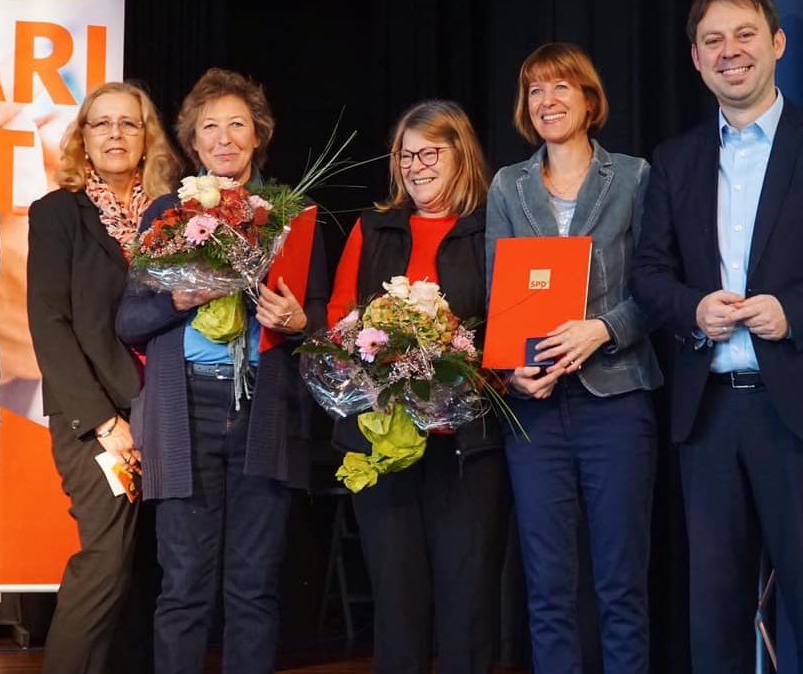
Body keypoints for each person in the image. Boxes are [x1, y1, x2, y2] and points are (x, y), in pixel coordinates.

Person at [116, 67, 328, 674]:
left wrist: (298, 321)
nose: (224, 138)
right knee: (183, 584)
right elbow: (129, 321)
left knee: (254, 585)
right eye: (210, 127)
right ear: (193, 141)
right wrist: (177, 300)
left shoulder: (291, 213)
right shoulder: (168, 212)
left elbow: (322, 320)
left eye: (237, 125)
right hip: (185, 410)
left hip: (264, 408)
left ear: (258, 134)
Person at [632, 0, 803, 670]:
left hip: (795, 414)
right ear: (697, 59)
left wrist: (793, 313)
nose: (730, 50)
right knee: (714, 619)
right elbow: (649, 275)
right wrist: (693, 308)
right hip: (708, 417)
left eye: (745, 34)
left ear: (778, 43)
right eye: (713, 40)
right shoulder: (675, 159)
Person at [485, 43, 662, 674]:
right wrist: (512, 369)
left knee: (620, 584)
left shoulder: (635, 177)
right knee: (548, 588)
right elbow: (499, 295)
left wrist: (603, 329)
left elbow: (658, 289)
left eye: (562, 87)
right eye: (535, 89)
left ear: (589, 100)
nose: (548, 100)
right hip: (536, 410)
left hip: (616, 403)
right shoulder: (508, 185)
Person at [327, 99, 510, 674]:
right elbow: (339, 319)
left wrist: (455, 354)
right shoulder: (372, 227)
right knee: (398, 605)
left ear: (462, 154)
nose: (416, 166)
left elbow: (509, 325)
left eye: (431, 153)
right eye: (406, 156)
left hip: (467, 447)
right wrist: (374, 355)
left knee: (468, 603)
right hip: (386, 443)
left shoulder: (492, 226)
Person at [26, 81, 180, 674]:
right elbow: (49, 324)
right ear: (83, 139)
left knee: (151, 568)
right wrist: (103, 422)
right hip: (96, 416)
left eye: (129, 123)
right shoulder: (57, 214)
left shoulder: (175, 215)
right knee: (107, 560)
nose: (115, 134)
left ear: (147, 137)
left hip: (166, 407)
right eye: (102, 124)